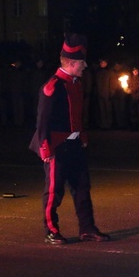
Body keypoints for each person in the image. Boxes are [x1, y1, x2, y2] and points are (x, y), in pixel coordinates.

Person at [29, 33, 110, 245]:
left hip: (74, 145)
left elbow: (76, 115)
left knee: (83, 188)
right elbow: (42, 122)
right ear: (72, 63)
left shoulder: (75, 83)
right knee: (54, 191)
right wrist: (45, 149)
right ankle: (51, 229)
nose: (85, 66)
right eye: (82, 62)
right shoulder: (52, 86)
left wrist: (82, 136)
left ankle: (87, 228)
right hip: (57, 146)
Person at [95, 59, 115, 129]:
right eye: (100, 63)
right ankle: (103, 124)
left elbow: (112, 83)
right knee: (102, 110)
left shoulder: (110, 72)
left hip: (107, 94)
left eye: (102, 63)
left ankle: (109, 124)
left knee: (108, 109)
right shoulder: (98, 72)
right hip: (100, 93)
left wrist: (111, 93)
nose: (101, 64)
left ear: (106, 63)